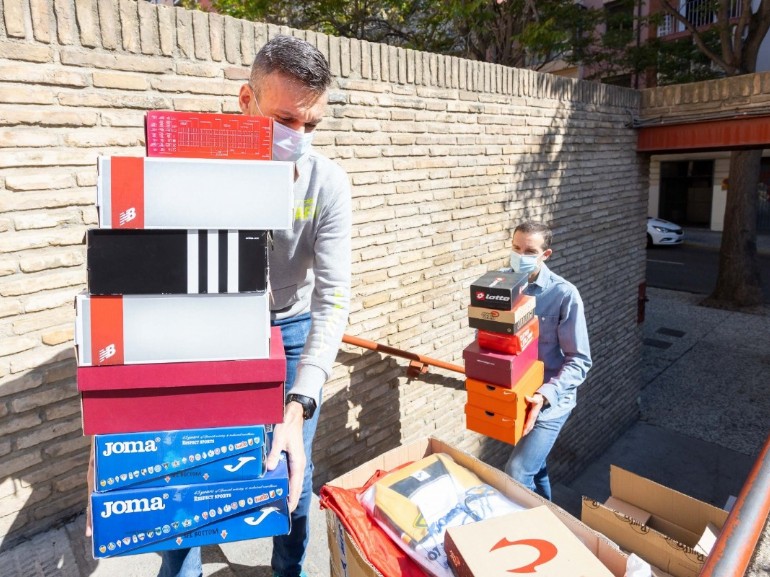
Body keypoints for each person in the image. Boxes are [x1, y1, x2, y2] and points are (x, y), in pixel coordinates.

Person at [156, 35, 352, 577]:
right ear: (247, 102)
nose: (299, 138)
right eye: (285, 120)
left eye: (311, 126)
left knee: (292, 470)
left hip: (290, 330)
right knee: (193, 467)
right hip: (211, 332)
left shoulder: (327, 183)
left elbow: (334, 296)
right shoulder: (194, 168)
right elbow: (152, 277)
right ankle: (181, 568)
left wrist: (298, 404)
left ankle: (289, 569)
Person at [503, 221, 591, 500]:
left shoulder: (564, 294)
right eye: (516, 248)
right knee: (535, 466)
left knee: (517, 472)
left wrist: (544, 395)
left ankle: (533, 526)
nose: (520, 255)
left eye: (529, 251)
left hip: (549, 402)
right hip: (517, 395)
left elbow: (580, 361)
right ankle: (550, 519)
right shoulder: (502, 284)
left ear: (546, 254)